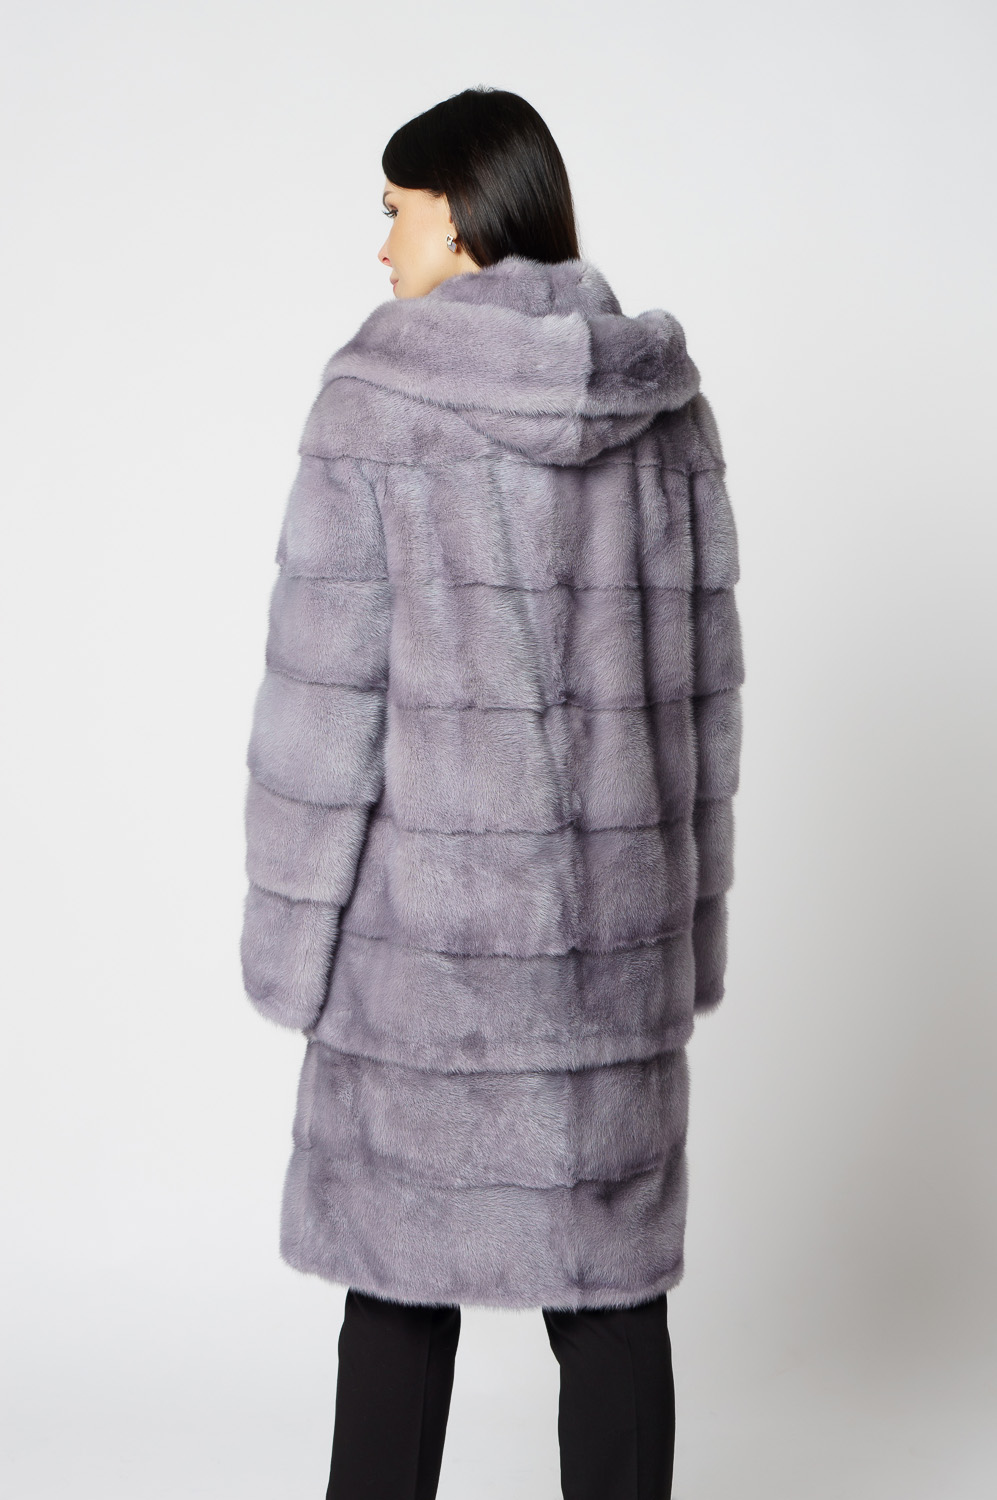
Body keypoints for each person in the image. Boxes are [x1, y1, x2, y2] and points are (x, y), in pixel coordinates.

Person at [240, 85, 744, 1500]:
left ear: (458, 216)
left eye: (395, 210)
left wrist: (290, 953)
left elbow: (322, 715)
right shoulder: (665, 407)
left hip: (425, 974)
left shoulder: (374, 405)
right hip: (611, 964)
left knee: (399, 1297)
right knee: (612, 1305)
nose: (382, 244)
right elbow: (701, 705)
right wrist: (688, 941)